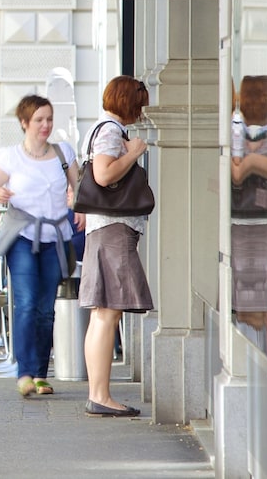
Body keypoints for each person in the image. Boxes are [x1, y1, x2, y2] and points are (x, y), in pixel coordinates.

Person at [0, 94, 82, 399]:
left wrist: (81, 206)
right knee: (25, 304)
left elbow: (81, 188)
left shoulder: (63, 153)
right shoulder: (11, 156)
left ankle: (39, 374)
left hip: (55, 238)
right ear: (24, 123)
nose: (45, 125)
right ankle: (23, 373)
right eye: (39, 120)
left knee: (46, 310)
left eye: (49, 119)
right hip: (22, 237)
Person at [75, 76, 153, 417]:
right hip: (112, 230)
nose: (144, 109)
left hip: (102, 229)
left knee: (102, 313)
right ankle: (101, 396)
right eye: (141, 102)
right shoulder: (110, 130)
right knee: (107, 313)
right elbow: (104, 176)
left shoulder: (101, 127)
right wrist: (134, 151)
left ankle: (99, 393)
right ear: (129, 101)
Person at [229, 75, 267, 357]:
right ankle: (263, 366)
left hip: (245, 227)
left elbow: (235, 173)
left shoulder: (237, 133)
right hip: (263, 228)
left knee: (252, 308)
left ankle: (253, 365)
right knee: (262, 307)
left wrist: (249, 162)